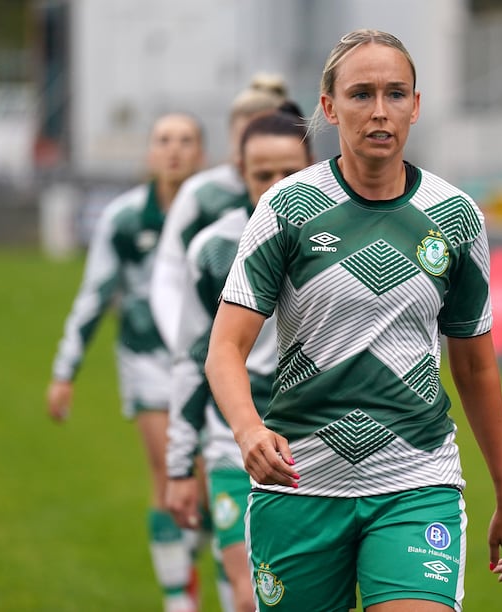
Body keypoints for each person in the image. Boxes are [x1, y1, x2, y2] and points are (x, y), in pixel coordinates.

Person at [206, 29, 502, 611]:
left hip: (416, 480)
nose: (380, 111)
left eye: (396, 94)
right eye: (361, 94)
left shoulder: (455, 217)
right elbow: (225, 347)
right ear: (329, 108)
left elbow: (477, 368)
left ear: (416, 105)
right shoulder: (286, 209)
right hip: (300, 485)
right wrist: (250, 430)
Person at [47, 112, 206, 612]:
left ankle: (190, 552)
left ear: (202, 153)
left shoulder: (220, 214)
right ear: (150, 153)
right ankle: (178, 597)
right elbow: (94, 296)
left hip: (207, 363)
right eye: (163, 140)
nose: (174, 150)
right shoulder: (124, 218)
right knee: (166, 470)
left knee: (202, 485)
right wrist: (64, 371)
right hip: (147, 361)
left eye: (185, 140)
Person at [165, 103, 314, 612]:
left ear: (313, 167)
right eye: (261, 174)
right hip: (234, 446)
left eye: (288, 173)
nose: (275, 185)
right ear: (240, 174)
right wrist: (181, 464)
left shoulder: (338, 242)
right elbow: (191, 358)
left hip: (316, 443)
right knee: (251, 598)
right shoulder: (212, 248)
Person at [150, 73, 289, 352]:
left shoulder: (309, 189)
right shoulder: (201, 194)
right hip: (218, 349)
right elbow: (168, 273)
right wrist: (190, 346)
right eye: (245, 137)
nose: (253, 147)